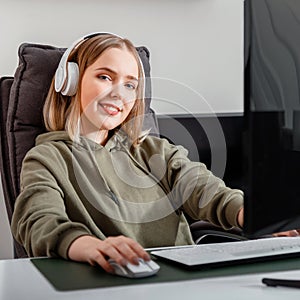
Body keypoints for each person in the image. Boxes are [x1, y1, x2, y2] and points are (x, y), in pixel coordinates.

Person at [11, 33, 244, 273]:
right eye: (105, 77)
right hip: (106, 280)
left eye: (130, 85)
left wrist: (250, 215)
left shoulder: (155, 150)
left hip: (181, 279)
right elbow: (38, 221)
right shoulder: (47, 158)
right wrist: (90, 246)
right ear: (71, 82)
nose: (119, 94)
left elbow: (206, 190)